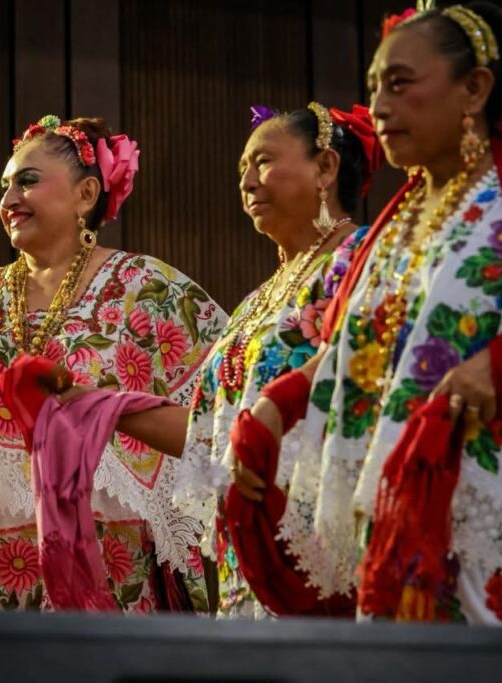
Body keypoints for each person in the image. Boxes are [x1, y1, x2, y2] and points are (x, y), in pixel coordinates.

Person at [228, 4, 502, 680]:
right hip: (406, 531)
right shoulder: (395, 224)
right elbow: (357, 351)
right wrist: (275, 407)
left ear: (474, 88)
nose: (379, 105)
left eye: (399, 83)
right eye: (374, 86)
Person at [54, 103, 379, 617]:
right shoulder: (255, 304)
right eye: (242, 169)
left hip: (332, 541)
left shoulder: (368, 260)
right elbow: (208, 433)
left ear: (324, 167)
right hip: (252, 559)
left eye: (263, 162)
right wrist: (96, 405)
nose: (246, 181)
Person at [0, 115, 229, 612]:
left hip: (115, 566)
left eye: (27, 181)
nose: (9, 200)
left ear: (86, 194)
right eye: (4, 187)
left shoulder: (148, 287)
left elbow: (226, 405)